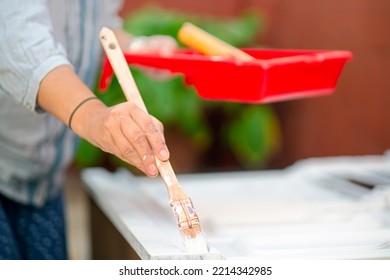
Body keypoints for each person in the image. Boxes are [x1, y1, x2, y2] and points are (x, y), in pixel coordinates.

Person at [0, 0, 177, 259]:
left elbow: (94, 28)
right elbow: (21, 43)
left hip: (42, 175)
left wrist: (138, 48)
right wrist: (94, 117)